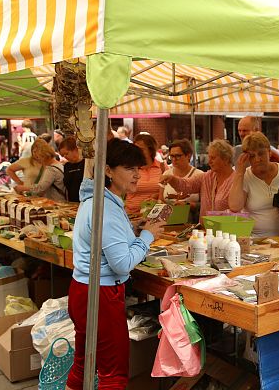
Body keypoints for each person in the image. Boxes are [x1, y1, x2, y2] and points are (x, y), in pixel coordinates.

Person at [67, 138, 164, 389]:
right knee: (114, 371)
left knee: (84, 361)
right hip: (101, 295)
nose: (137, 175)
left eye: (138, 169)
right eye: (129, 168)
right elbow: (122, 264)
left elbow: (106, 239)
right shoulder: (105, 208)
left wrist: (132, 229)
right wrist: (147, 237)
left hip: (83, 290)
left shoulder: (99, 199)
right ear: (108, 170)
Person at [229, 132, 279, 237]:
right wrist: (239, 173)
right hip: (254, 240)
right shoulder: (245, 176)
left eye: (261, 153)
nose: (257, 159)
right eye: (252, 156)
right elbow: (234, 206)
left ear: (269, 152)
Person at [162, 139, 235, 219]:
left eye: (213, 158)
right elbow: (186, 185)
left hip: (227, 228)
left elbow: (237, 210)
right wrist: (172, 179)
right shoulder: (206, 177)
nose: (209, 161)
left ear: (226, 159)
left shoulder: (236, 180)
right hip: (205, 229)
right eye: (209, 157)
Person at [160, 140, 204, 221]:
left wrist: (188, 204)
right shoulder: (166, 173)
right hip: (169, 219)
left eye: (178, 156)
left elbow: (205, 203)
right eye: (171, 156)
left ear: (188, 156)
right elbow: (161, 199)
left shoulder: (199, 175)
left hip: (191, 220)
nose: (174, 159)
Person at [125, 134, 164, 215]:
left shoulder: (162, 167)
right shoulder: (129, 168)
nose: (137, 152)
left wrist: (157, 196)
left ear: (150, 150)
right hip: (132, 215)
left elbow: (167, 192)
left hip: (155, 215)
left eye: (141, 149)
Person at [58, 137, 85, 202]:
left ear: (75, 149)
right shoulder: (67, 166)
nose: (65, 157)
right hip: (72, 203)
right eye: (63, 155)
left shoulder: (86, 164)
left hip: (84, 202)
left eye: (66, 153)